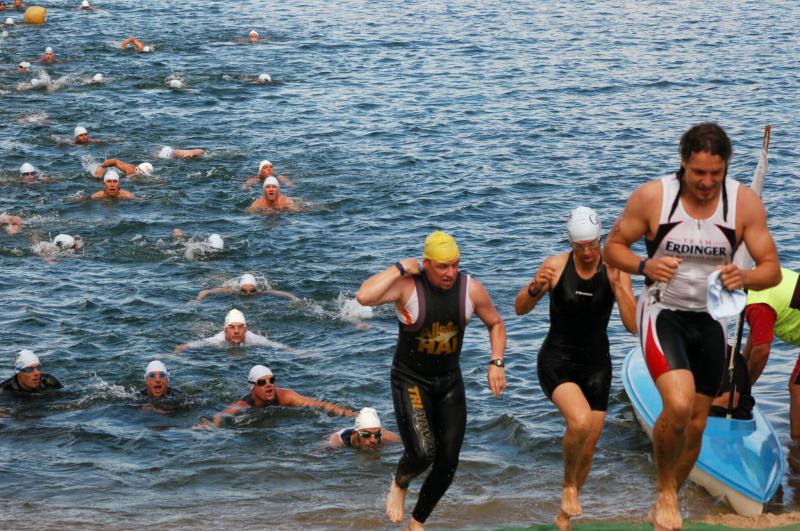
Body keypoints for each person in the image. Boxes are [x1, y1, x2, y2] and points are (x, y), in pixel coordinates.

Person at [603, 122, 781, 530]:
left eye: (716, 173)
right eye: (698, 172)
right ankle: (666, 492)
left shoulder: (744, 204)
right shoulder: (654, 198)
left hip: (711, 320)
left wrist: (745, 277)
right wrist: (645, 265)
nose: (706, 182)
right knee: (679, 405)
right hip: (662, 313)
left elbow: (771, 269)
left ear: (726, 167)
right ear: (683, 164)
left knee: (699, 423)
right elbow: (612, 248)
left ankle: (667, 494)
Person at [355, 230, 507, 530]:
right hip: (410, 380)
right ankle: (400, 483)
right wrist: (399, 267)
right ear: (426, 264)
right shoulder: (408, 287)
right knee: (423, 453)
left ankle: (416, 522)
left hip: (449, 382)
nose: (450, 273)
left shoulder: (470, 289)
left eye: (455, 265)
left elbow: (496, 323)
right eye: (442, 266)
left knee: (448, 461)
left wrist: (496, 361)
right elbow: (364, 297)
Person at [514, 206, 637, 530]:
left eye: (592, 245)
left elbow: (633, 326)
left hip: (597, 366)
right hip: (557, 360)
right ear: (570, 243)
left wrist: (619, 288)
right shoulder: (555, 266)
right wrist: (534, 288)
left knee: (589, 446)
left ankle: (564, 517)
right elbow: (519, 309)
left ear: (600, 239)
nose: (587, 252)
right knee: (580, 422)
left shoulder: (615, 269)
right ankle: (568, 485)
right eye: (579, 246)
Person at [198, 365, 354, 428]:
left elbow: (317, 404)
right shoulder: (244, 404)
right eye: (262, 382)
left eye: (271, 380)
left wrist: (345, 412)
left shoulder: (285, 396)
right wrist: (208, 425)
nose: (269, 385)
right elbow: (221, 415)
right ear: (253, 387)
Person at [175, 309, 285, 353]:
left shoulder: (254, 339)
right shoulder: (217, 340)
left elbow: (279, 346)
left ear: (245, 330)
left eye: (240, 327)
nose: (236, 331)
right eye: (232, 327)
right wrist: (175, 355)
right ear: (225, 330)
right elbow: (185, 346)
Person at [327, 407, 401, 449]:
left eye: (377, 435)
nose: (373, 440)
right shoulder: (338, 440)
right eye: (366, 435)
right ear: (355, 433)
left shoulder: (387, 436)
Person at [194, 273, 299, 302]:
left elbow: (282, 293)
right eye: (244, 291)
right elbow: (205, 292)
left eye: (252, 291)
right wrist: (197, 300)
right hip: (231, 285)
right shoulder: (232, 290)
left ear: (256, 289)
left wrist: (294, 299)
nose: (248, 294)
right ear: (240, 289)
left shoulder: (261, 291)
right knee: (222, 280)